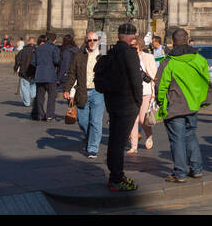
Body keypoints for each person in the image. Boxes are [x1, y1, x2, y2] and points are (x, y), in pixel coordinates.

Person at [99, 23, 151, 192]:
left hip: (112, 102)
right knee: (119, 143)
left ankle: (116, 175)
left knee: (114, 140)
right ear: (132, 37)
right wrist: (137, 101)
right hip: (127, 104)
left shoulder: (111, 52)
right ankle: (116, 178)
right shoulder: (129, 53)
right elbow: (136, 81)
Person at [154, 28, 209, 182]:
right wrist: (199, 98)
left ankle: (180, 173)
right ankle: (197, 169)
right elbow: (206, 80)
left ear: (172, 42)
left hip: (175, 106)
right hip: (192, 105)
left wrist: (161, 102)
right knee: (191, 135)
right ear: (187, 40)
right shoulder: (199, 59)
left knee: (177, 139)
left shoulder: (169, 61)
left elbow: (160, 86)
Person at [64, 31, 105, 159]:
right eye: (89, 40)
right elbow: (72, 74)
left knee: (96, 122)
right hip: (82, 91)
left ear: (98, 41)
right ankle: (89, 136)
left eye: (94, 40)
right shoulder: (78, 56)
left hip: (98, 92)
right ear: (85, 41)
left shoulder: (103, 56)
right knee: (83, 121)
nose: (92, 42)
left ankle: (93, 148)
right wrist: (67, 89)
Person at [128, 37, 157, 153]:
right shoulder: (128, 58)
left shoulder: (148, 57)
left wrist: (154, 92)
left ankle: (149, 135)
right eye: (131, 46)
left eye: (134, 46)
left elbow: (154, 75)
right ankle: (134, 146)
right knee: (133, 120)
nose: (132, 48)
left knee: (142, 119)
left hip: (145, 91)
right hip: (132, 92)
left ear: (139, 45)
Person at [31, 34, 61, 121]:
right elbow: (56, 61)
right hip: (50, 75)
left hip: (39, 74)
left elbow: (33, 62)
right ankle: (49, 115)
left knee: (40, 96)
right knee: (51, 96)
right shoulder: (54, 48)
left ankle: (40, 114)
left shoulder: (38, 48)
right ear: (54, 40)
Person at [14, 37, 36, 107]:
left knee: (25, 88)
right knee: (33, 86)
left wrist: (15, 69)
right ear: (34, 42)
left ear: (28, 42)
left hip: (24, 71)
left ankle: (27, 102)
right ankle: (33, 100)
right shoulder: (37, 50)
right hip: (34, 71)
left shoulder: (22, 51)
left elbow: (18, 60)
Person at [57, 35, 77, 103]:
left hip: (68, 75)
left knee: (69, 95)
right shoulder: (76, 49)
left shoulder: (67, 51)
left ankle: (72, 111)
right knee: (73, 94)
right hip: (77, 74)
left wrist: (59, 78)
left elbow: (65, 65)